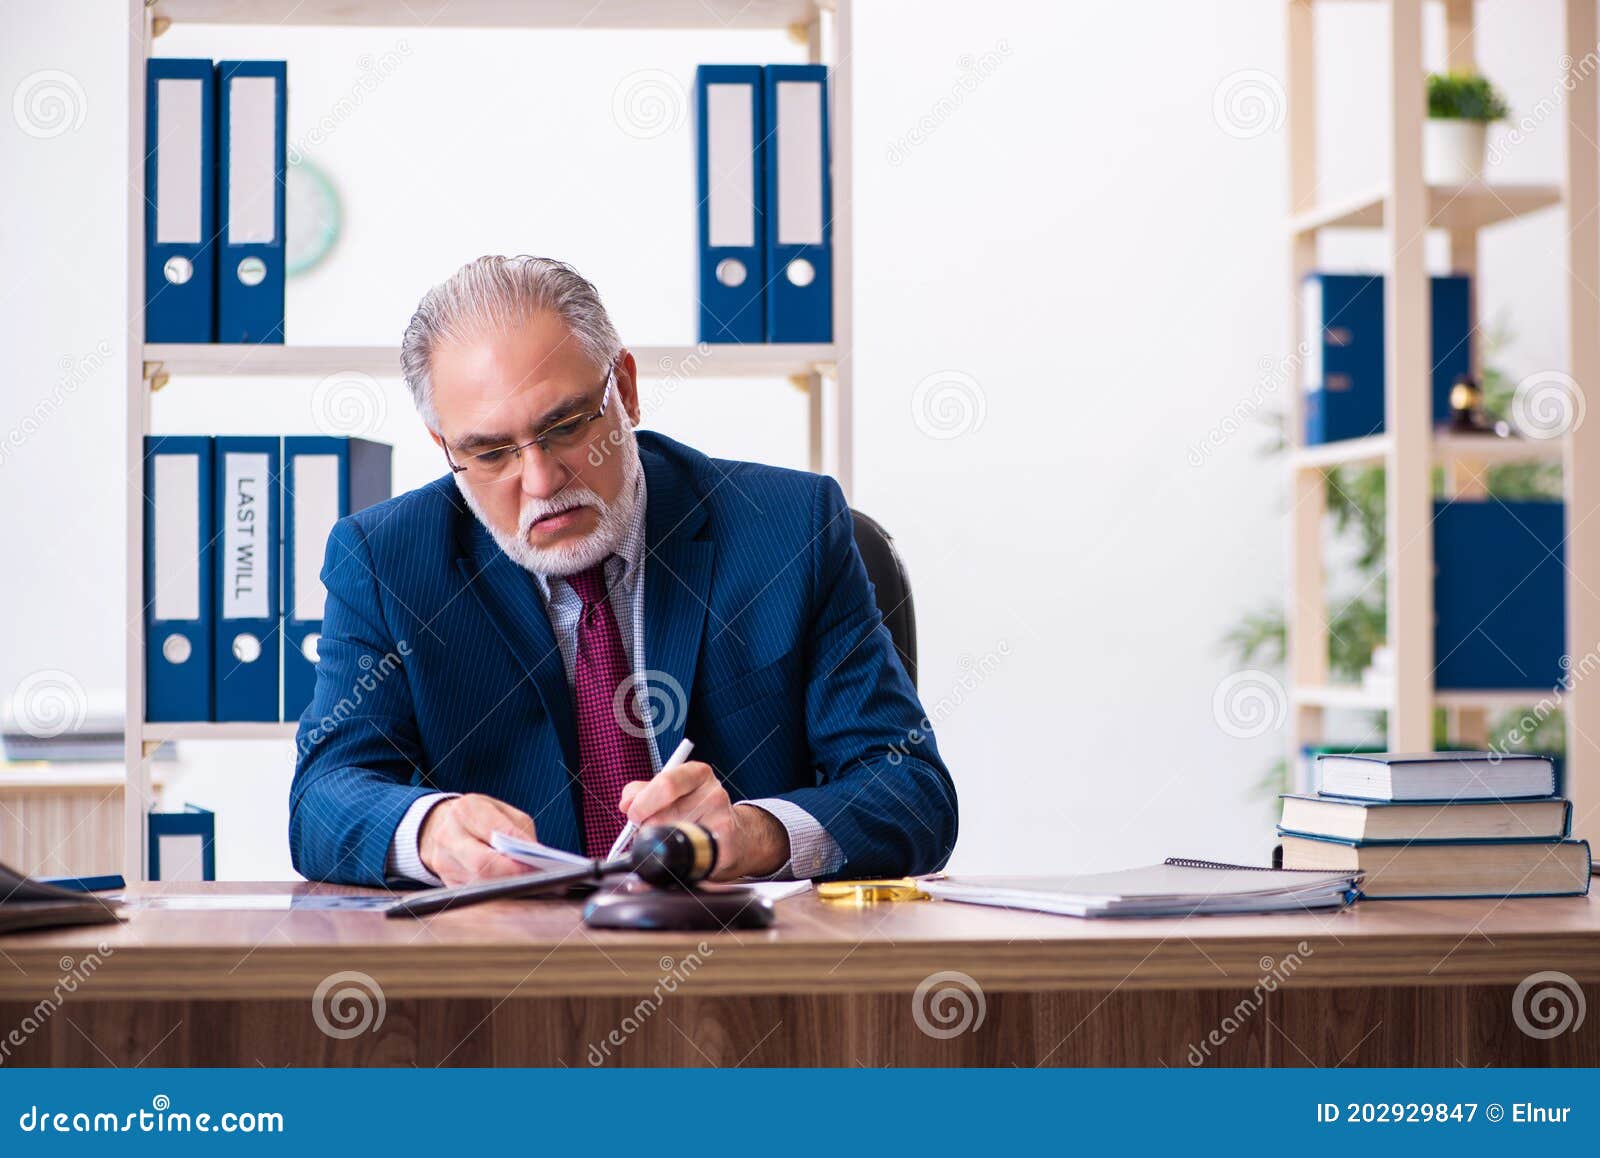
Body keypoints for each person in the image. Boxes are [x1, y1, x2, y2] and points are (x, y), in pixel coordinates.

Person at [288, 255, 957, 887]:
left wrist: (752, 835)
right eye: (491, 454)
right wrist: (429, 828)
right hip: (504, 976)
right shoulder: (385, 562)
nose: (542, 481)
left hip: (739, 972)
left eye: (569, 426)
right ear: (445, 449)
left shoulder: (789, 529)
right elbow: (322, 799)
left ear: (626, 389)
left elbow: (911, 792)